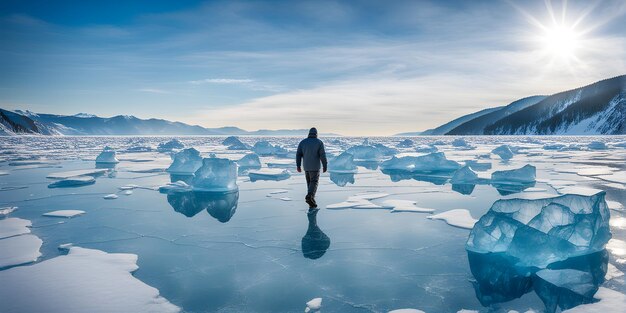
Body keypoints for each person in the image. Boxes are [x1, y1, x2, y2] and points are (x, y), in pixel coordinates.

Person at [296, 127, 327, 208]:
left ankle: (311, 200)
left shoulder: (303, 142)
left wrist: (298, 165)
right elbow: (322, 155)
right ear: (316, 134)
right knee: (314, 182)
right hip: (315, 167)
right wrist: (325, 165)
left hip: (306, 167)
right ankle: (310, 197)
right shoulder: (319, 142)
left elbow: (298, 154)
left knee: (309, 183)